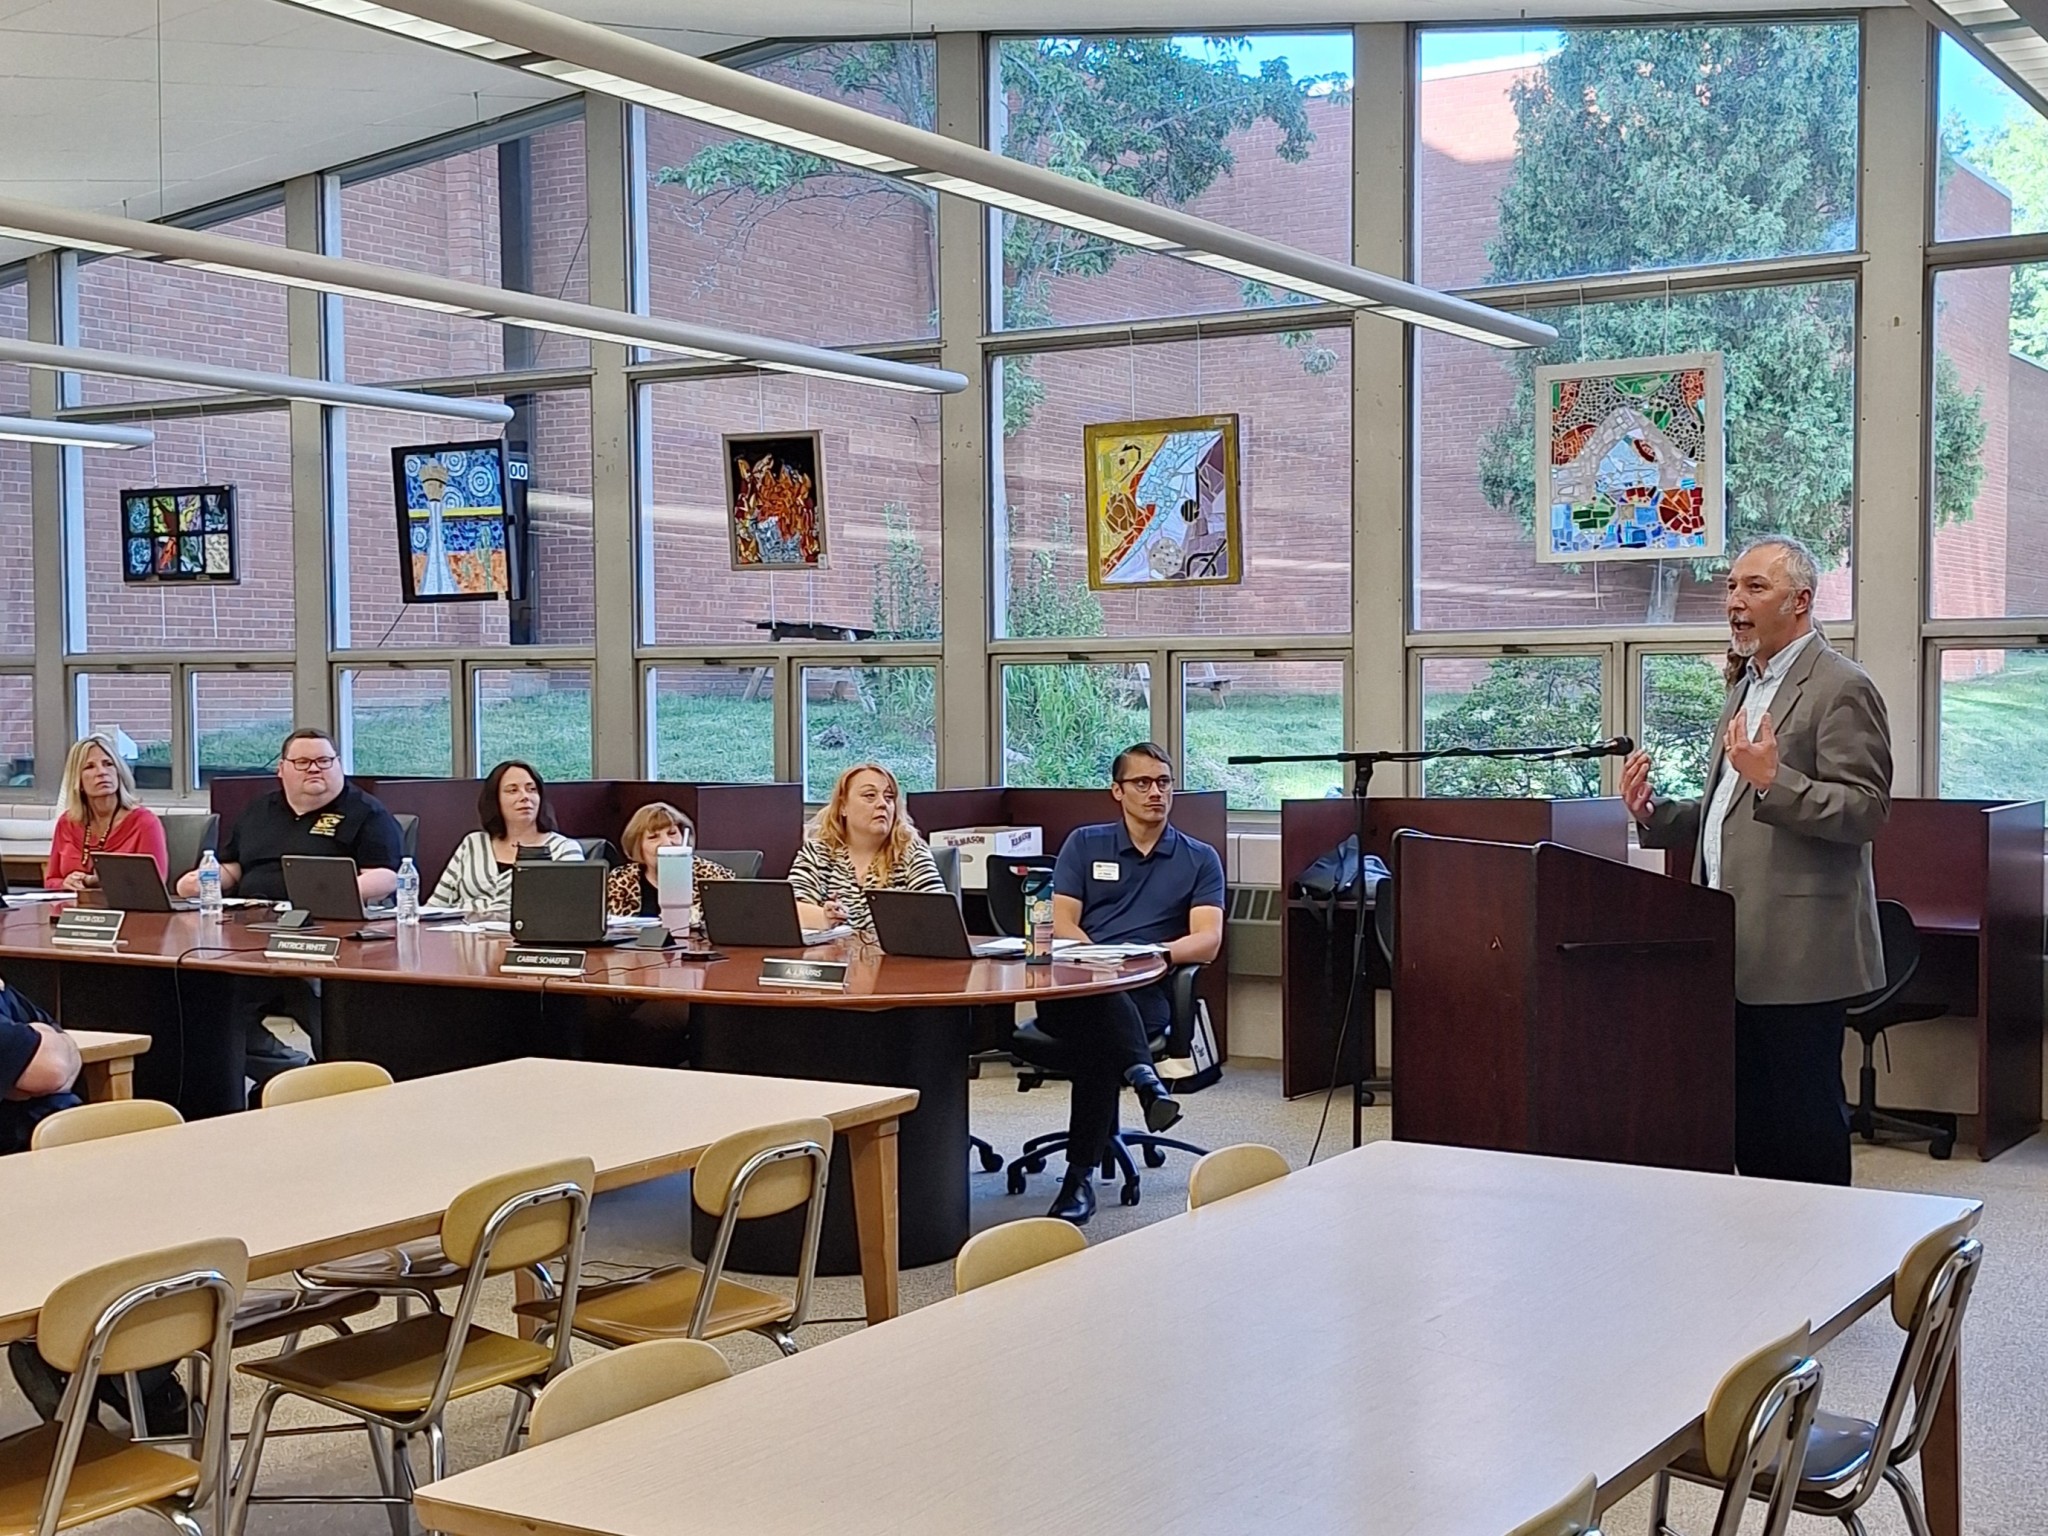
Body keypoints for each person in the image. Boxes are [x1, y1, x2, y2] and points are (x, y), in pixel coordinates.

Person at [1622, 534, 1891, 1186]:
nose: (1735, 603)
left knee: (1801, 1125)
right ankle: (1761, 1261)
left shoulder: (1841, 688)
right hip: (1728, 946)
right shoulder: (1745, 684)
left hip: (1800, 952)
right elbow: (1728, 808)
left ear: (1800, 601)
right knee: (1745, 1122)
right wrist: (1654, 815)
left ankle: (1824, 1267)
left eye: (1754, 588)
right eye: (1732, 588)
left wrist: (1777, 781)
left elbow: (1866, 811)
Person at [1036, 743, 1225, 1225]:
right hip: (1073, 989)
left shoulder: (1199, 858)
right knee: (1103, 1013)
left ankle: (1078, 1180)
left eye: (1163, 782)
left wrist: (1147, 956)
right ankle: (1145, 1081)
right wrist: (1098, 962)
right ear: (1117, 791)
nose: (1155, 792)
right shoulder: (1085, 843)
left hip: (1145, 991)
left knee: (1102, 1045)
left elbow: (1206, 941)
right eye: (1142, 783)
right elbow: (1061, 924)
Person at [173, 726, 404, 1101]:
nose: (315, 769)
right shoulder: (259, 810)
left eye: (324, 761)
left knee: (326, 1009)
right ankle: (296, 1072)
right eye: (303, 762)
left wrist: (326, 893)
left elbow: (388, 876)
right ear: (282, 769)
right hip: (249, 935)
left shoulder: (364, 812)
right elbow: (235, 867)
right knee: (212, 999)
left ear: (338, 765)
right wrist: (206, 879)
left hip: (326, 940)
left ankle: (342, 1079)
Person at [788, 763, 946, 935]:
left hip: (895, 960)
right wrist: (825, 917)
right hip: (834, 958)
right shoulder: (818, 852)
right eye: (870, 796)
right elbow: (790, 910)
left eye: (889, 797)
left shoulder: (911, 852)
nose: (883, 804)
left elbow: (939, 918)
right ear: (843, 806)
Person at [430, 760, 583, 913]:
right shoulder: (473, 844)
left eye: (532, 789)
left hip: (525, 934)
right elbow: (435, 906)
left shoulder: (563, 850)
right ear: (495, 800)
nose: (525, 797)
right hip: (462, 932)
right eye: (512, 790)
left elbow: (570, 913)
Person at [44, 734, 167, 892]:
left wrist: (90, 881)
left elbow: (153, 885)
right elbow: (51, 880)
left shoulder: (145, 823)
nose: (102, 772)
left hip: (128, 912)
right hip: (75, 912)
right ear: (78, 780)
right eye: (89, 767)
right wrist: (65, 883)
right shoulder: (67, 822)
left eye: (108, 764)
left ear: (119, 772)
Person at [606, 802, 737, 920]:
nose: (667, 843)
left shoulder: (714, 877)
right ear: (638, 847)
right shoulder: (620, 880)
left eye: (672, 833)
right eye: (653, 837)